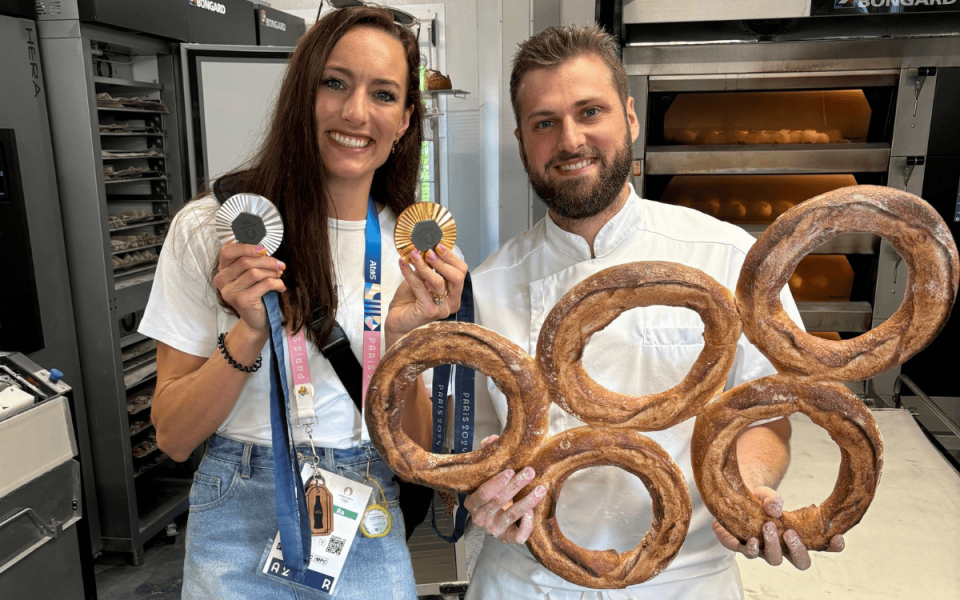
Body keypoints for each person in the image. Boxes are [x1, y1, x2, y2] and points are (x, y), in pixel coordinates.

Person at [461, 25, 844, 600]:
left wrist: (752, 494)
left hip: (686, 577)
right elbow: (481, 446)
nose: (570, 140)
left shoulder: (726, 257)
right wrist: (483, 491)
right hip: (526, 576)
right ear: (521, 141)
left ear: (630, 118)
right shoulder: (485, 288)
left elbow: (766, 412)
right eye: (545, 122)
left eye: (590, 111)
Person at [139, 7, 467, 599]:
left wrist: (399, 345)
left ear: (404, 120)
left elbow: (417, 455)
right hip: (236, 504)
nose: (355, 112)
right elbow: (173, 437)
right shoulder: (213, 229)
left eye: (384, 94)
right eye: (334, 82)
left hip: (365, 501)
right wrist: (247, 331)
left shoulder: (413, 252)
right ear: (301, 92)